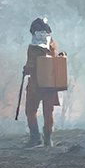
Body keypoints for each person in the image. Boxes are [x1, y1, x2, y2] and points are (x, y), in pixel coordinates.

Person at [23, 17, 60, 147]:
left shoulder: (33, 47)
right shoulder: (53, 45)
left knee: (30, 111)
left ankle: (35, 138)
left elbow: (31, 66)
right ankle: (48, 139)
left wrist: (26, 69)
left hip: (35, 85)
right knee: (47, 112)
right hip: (50, 85)